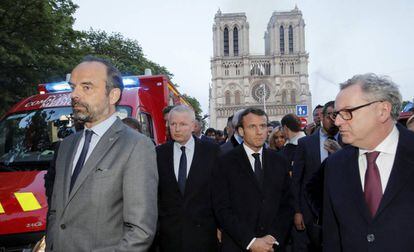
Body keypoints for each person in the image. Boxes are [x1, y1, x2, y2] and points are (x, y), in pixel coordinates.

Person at [45, 56, 158, 251]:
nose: (74, 95)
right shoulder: (66, 146)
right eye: (73, 87)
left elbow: (140, 232)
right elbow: (56, 212)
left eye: (86, 87)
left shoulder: (137, 146)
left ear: (113, 95)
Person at [323, 73, 414, 251]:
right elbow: (332, 238)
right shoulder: (334, 166)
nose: (338, 121)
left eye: (347, 112)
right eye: (336, 114)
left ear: (382, 111)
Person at [213, 107, 293, 252]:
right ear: (241, 131)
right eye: (252, 126)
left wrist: (273, 237)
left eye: (262, 126)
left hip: (272, 245)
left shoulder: (279, 161)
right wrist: (250, 242)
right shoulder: (224, 162)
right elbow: (222, 208)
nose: (259, 132)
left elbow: (287, 204)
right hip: (238, 245)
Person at [156, 105, 220, 252]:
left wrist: (220, 226)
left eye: (183, 124)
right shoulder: (159, 154)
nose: (177, 129)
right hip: (168, 237)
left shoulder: (212, 151)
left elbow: (219, 192)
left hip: (204, 235)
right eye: (173, 124)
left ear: (193, 126)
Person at [291, 101, 340, 252]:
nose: (333, 120)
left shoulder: (348, 142)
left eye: (337, 115)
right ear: (321, 117)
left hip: (337, 209)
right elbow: (296, 180)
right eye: (330, 115)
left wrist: (340, 154)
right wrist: (297, 211)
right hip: (309, 211)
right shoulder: (305, 143)